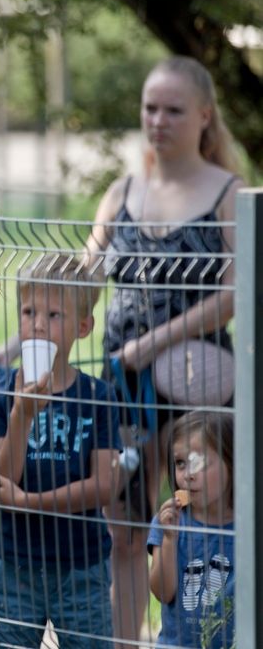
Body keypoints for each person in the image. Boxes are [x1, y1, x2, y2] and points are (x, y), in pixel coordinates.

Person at [85, 56, 242, 645]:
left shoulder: (228, 194)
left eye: (173, 109)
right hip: (124, 387)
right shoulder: (121, 192)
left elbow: (233, 294)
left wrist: (152, 343)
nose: (158, 120)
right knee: (125, 531)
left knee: (200, 528)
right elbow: (83, 277)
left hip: (201, 394)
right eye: (150, 107)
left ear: (204, 116)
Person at [0, 253, 122, 648]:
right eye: (28, 311)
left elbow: (105, 486)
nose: (37, 324)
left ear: (84, 326)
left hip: (82, 568)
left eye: (54, 315)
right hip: (14, 567)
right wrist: (22, 413)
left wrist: (31, 501)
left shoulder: (98, 396)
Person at [148, 410, 234, 648]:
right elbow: (162, 593)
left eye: (200, 462)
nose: (188, 475)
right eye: (180, 463)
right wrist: (169, 539)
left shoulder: (249, 528)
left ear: (231, 461)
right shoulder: (169, 522)